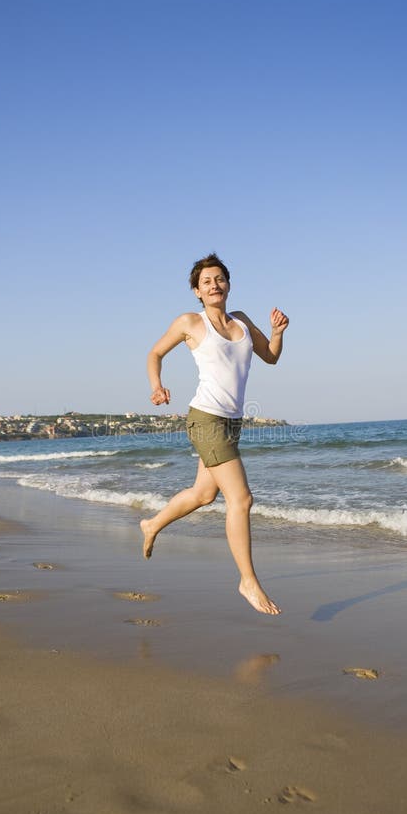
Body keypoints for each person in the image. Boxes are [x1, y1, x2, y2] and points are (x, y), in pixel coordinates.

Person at [140, 253, 289, 615]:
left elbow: (270, 356)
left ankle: (152, 523)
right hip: (205, 419)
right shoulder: (191, 322)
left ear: (228, 284)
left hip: (231, 422)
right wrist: (157, 386)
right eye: (206, 281)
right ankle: (247, 580)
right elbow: (155, 353)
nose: (214, 285)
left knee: (205, 494)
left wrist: (276, 333)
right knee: (241, 499)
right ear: (197, 291)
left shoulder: (241, 321)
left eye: (220, 278)